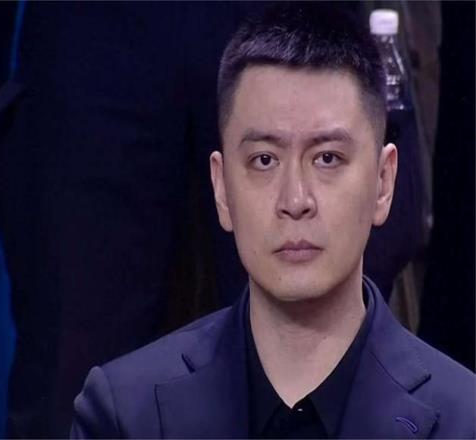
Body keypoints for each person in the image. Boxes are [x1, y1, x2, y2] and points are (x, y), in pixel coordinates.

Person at [71, 4, 474, 438]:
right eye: (264, 160)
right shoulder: (124, 415)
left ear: (383, 182)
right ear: (221, 188)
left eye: (327, 158)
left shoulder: (464, 420)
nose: (295, 200)